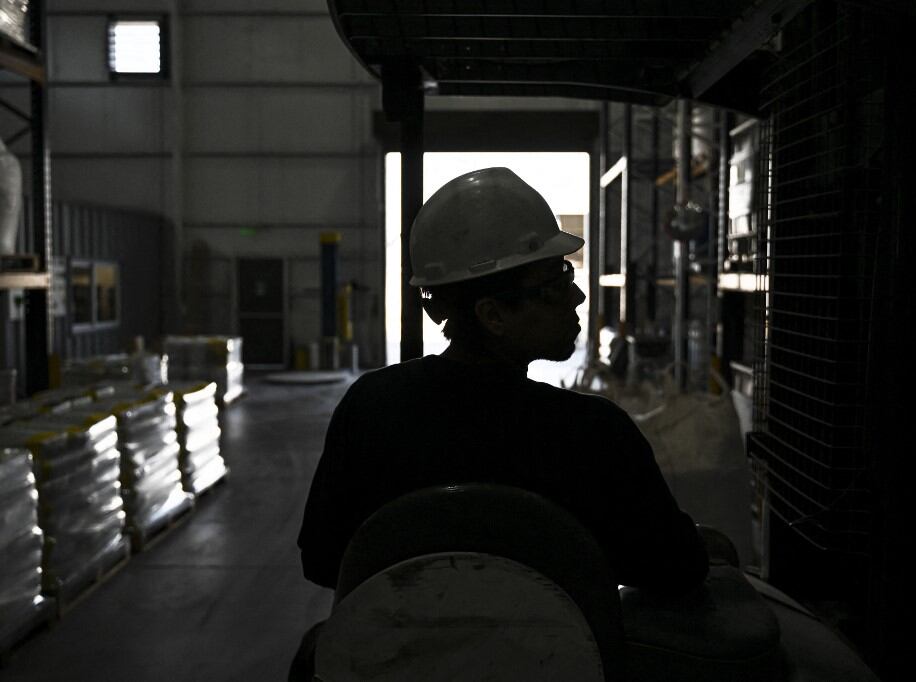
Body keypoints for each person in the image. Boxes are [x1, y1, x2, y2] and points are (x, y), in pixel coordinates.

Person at [291, 167, 709, 679]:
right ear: (493, 314)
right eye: (554, 285)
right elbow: (676, 570)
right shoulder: (594, 434)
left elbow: (322, 559)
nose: (576, 298)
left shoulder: (370, 407)